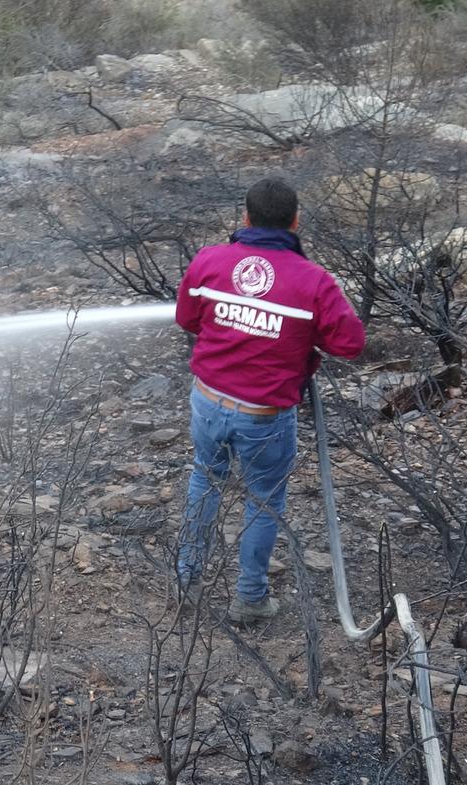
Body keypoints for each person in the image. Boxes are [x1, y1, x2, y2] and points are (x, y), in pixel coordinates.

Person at [174, 177, 366, 624]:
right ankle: (250, 599)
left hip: (208, 401)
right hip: (264, 417)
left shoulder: (210, 260)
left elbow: (187, 318)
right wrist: (302, 335)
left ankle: (186, 580)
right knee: (262, 501)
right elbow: (351, 343)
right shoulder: (314, 281)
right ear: (295, 222)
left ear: (246, 217)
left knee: (206, 481)